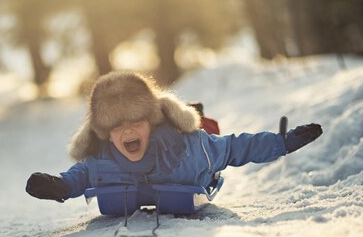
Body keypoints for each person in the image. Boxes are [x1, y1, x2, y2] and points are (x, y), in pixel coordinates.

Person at [25, 71, 322, 203]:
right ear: (105, 133)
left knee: (206, 131)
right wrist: (59, 186)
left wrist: (283, 142)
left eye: (135, 121)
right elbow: (81, 175)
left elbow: (236, 147)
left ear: (151, 122)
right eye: (117, 127)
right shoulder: (102, 158)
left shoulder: (190, 150)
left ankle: (197, 114)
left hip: (192, 164)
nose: (127, 131)